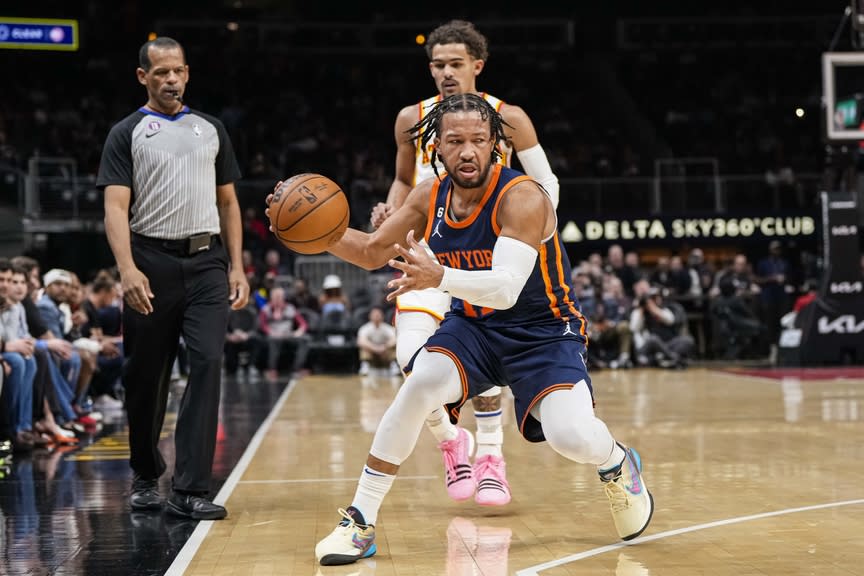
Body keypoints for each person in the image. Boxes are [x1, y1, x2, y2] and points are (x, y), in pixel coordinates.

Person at [266, 94, 652, 566]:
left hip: (542, 332)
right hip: (473, 326)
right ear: (437, 148)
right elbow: (370, 252)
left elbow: (507, 289)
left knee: (571, 437)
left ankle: (616, 462)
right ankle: (360, 521)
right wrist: (317, 232)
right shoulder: (429, 195)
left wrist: (440, 277)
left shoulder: (523, 197)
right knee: (419, 383)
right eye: (455, 141)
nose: (467, 151)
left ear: (495, 145)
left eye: (478, 140)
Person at [371, 19, 561, 507]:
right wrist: (391, 208)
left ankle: (493, 457)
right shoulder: (409, 118)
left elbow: (547, 185)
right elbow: (401, 179)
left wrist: (530, 235)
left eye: (456, 64)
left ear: (477, 65)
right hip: (425, 252)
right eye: (438, 65)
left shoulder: (509, 116)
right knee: (412, 366)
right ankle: (454, 443)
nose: (446, 73)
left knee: (484, 364)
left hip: (487, 252)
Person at [97, 36, 249, 521]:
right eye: (160, 72)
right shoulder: (127, 132)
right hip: (149, 261)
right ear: (143, 76)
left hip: (206, 262)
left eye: (178, 71)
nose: (171, 80)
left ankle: (189, 489)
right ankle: (145, 474)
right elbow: (115, 208)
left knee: (207, 364)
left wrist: (238, 265)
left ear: (187, 73)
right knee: (145, 376)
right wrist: (126, 269)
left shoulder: (211, 129)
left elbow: (228, 202)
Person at [356, 306, 399, 376]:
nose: (376, 316)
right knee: (364, 349)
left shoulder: (387, 328)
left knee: (394, 349)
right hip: (372, 353)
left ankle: (394, 366)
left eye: (378, 315)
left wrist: (385, 346)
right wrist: (375, 348)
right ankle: (365, 366)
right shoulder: (365, 328)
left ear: (382, 316)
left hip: (384, 352)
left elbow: (395, 339)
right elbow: (360, 341)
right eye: (374, 315)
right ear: (370, 316)